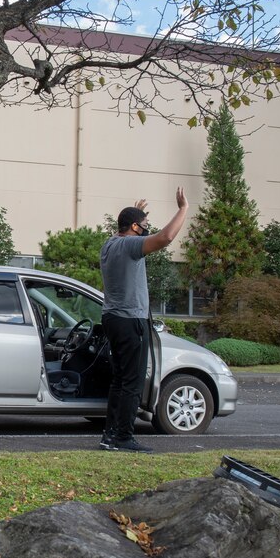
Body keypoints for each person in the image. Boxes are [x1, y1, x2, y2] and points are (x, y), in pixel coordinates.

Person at [99, 188, 189, 453]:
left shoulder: (110, 244)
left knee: (120, 380)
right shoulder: (129, 246)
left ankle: (110, 436)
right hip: (130, 320)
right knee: (133, 382)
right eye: (144, 226)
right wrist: (183, 209)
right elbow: (166, 237)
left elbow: (133, 227)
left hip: (112, 318)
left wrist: (135, 210)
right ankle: (123, 438)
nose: (147, 230)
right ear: (135, 228)